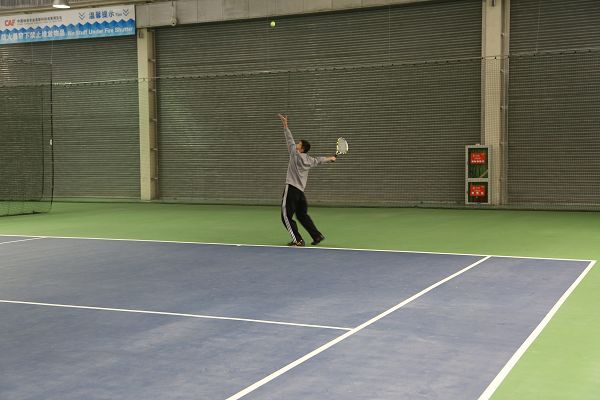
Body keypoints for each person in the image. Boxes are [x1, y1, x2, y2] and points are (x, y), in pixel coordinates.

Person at [278, 114, 336, 246]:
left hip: (291, 190)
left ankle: (297, 240)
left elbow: (289, 140)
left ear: (302, 148)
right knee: (302, 215)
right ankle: (317, 235)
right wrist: (331, 158)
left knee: (285, 216)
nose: (296, 144)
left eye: (299, 144)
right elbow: (320, 160)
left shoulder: (294, 154)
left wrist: (285, 125)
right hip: (300, 194)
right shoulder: (310, 160)